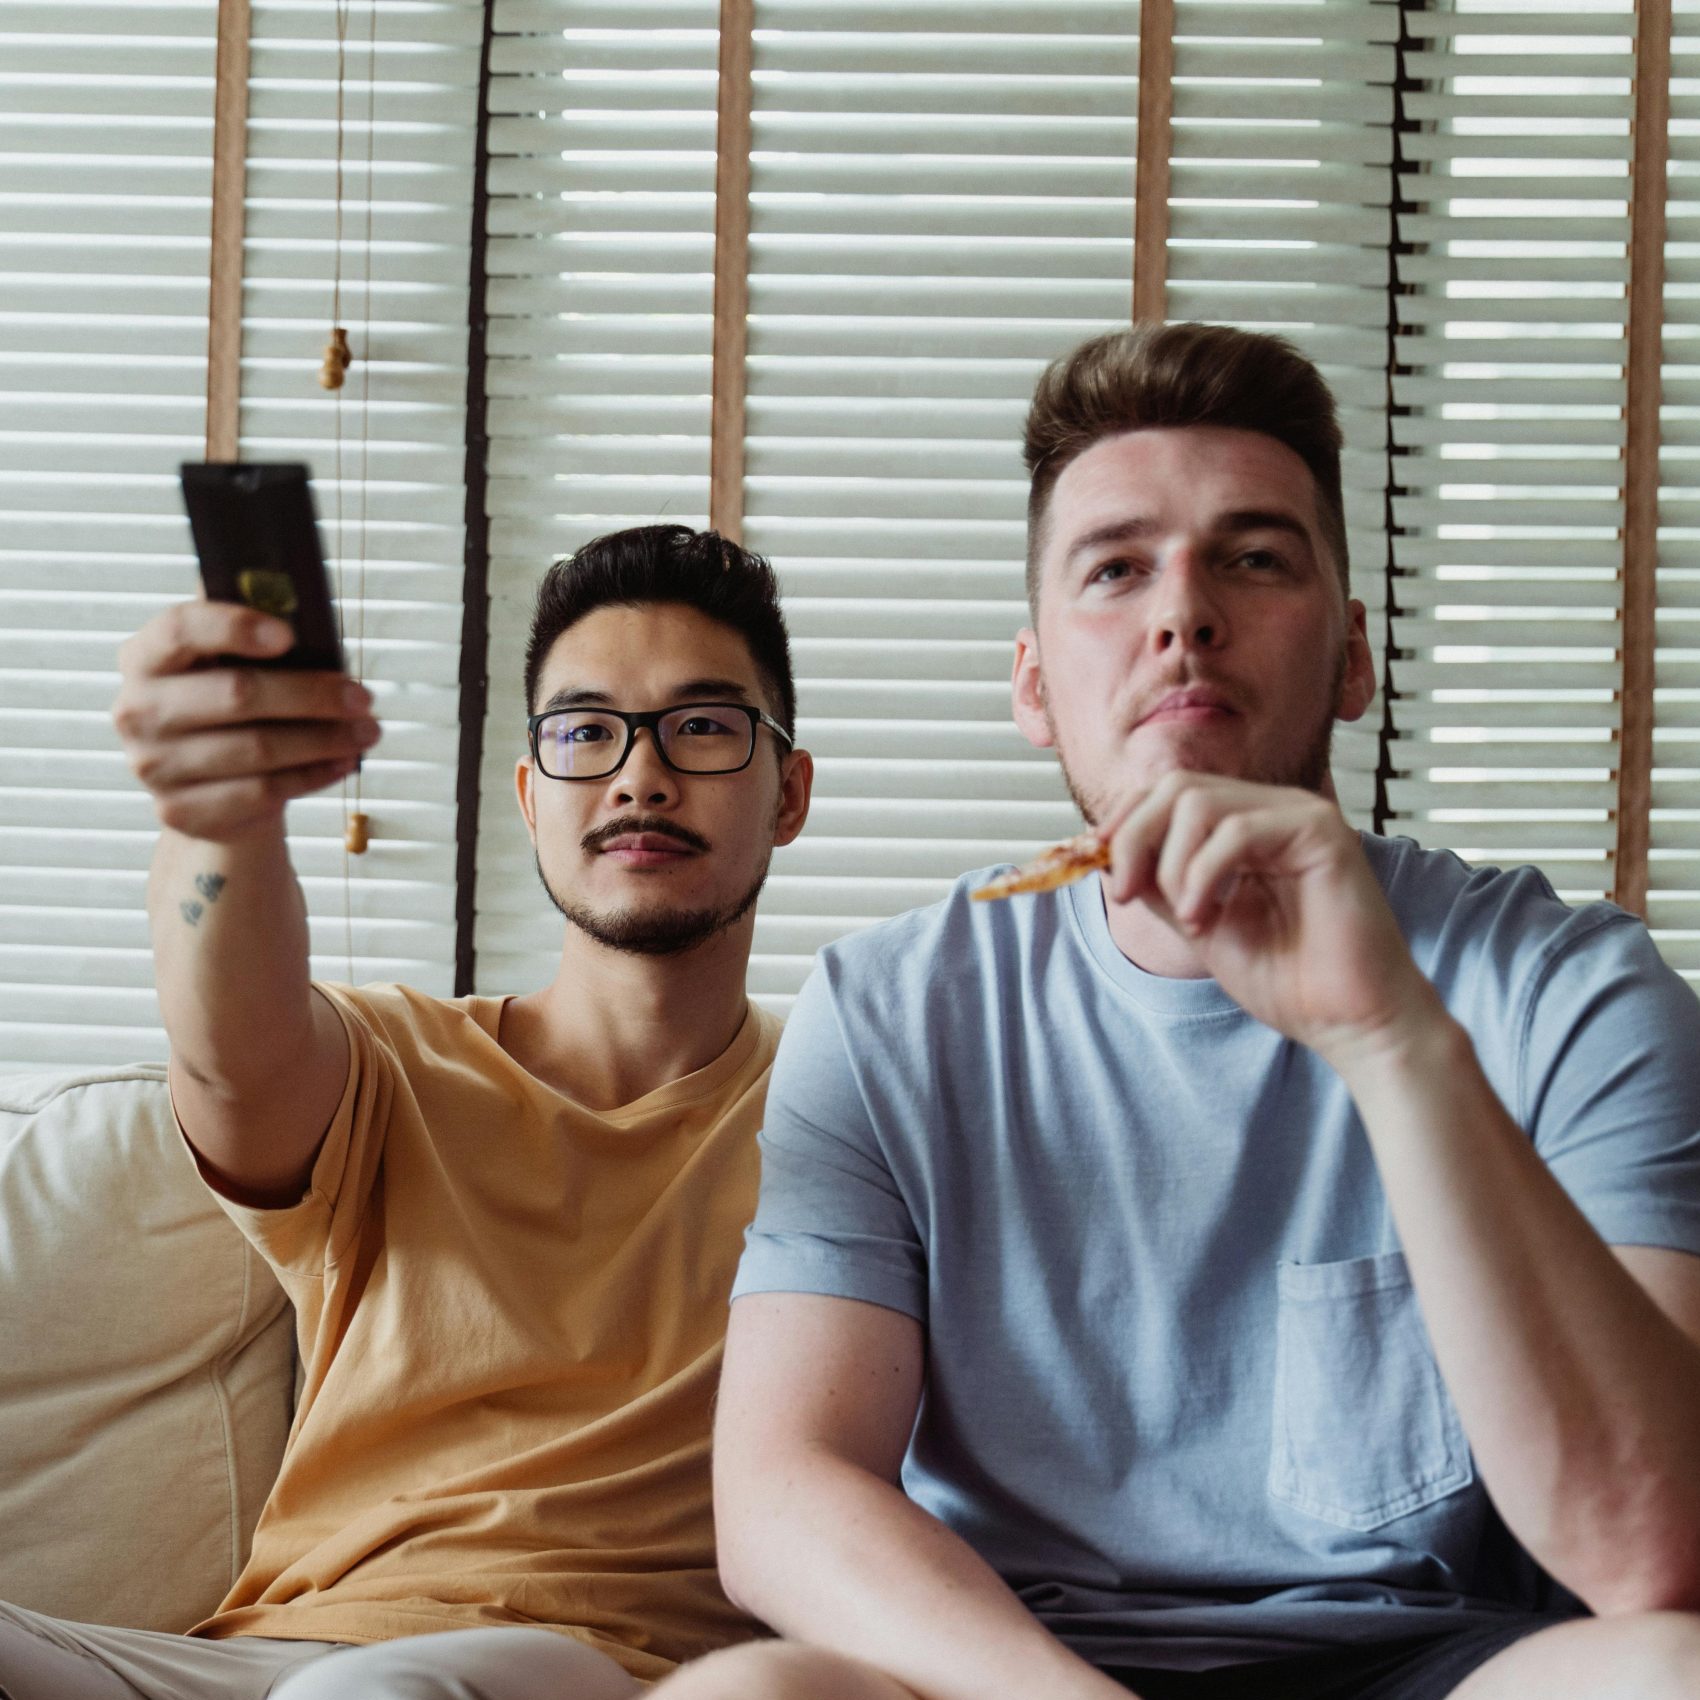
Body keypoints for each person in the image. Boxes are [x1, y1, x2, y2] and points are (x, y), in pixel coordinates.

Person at [660, 323, 1700, 1700]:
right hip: (1019, 1677)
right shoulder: (893, 1010)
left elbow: (1651, 1555)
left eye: (1256, 557)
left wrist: (1393, 1044)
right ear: (1035, 684)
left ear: (1350, 656)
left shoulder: (1574, 992)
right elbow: (784, 1493)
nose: (1182, 614)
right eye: (1117, 568)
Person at [0, 525, 811, 1699]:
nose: (640, 772)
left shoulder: (852, 1098)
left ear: (786, 791)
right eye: (586, 729)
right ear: (531, 798)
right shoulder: (390, 1061)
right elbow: (230, 1051)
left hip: (581, 1669)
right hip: (256, 1665)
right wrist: (219, 813)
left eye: (701, 724)